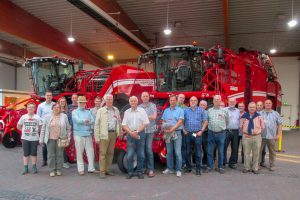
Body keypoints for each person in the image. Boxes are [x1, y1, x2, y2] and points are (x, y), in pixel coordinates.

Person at [94, 94, 121, 179]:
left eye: (111, 99)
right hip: (104, 134)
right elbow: (96, 124)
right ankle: (102, 171)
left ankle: (107, 169)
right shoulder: (101, 111)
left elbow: (119, 121)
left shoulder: (116, 110)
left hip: (113, 134)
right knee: (103, 153)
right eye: (108, 99)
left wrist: (119, 132)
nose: (110, 101)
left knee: (110, 153)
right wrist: (97, 137)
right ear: (105, 101)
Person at [122, 96, 149, 179]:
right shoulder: (127, 112)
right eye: (131, 101)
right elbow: (124, 124)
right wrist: (131, 133)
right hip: (130, 134)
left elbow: (146, 123)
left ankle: (139, 172)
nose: (133, 102)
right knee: (130, 155)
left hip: (140, 133)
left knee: (141, 155)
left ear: (137, 102)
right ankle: (130, 172)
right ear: (129, 103)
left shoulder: (142, 111)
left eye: (134, 101)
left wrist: (136, 132)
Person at [40, 103, 71, 177]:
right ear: (52, 109)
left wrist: (68, 138)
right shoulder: (47, 117)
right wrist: (41, 139)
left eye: (58, 107)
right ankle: (52, 170)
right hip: (50, 139)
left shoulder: (64, 116)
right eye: (55, 107)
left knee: (59, 155)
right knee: (51, 155)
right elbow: (43, 129)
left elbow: (68, 128)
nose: (57, 109)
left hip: (60, 139)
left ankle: (58, 169)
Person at [72, 96, 97, 175]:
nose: (83, 104)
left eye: (84, 103)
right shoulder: (74, 112)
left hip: (88, 133)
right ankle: (80, 169)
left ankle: (91, 168)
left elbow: (92, 121)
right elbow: (77, 121)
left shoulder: (88, 112)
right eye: (81, 103)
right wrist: (86, 121)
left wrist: (85, 121)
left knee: (90, 151)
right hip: (78, 134)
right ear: (78, 103)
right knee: (79, 152)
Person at [183, 96, 208, 176]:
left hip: (197, 134)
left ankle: (198, 169)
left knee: (198, 152)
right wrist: (184, 130)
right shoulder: (185, 110)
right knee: (188, 152)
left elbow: (205, 122)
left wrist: (201, 131)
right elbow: (181, 121)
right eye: (191, 100)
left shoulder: (201, 110)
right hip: (188, 134)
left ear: (197, 102)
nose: (193, 102)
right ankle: (189, 168)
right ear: (189, 102)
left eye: (195, 100)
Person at [162, 94, 184, 177]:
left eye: (174, 100)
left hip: (177, 133)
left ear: (176, 100)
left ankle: (179, 170)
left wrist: (172, 129)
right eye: (171, 100)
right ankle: (170, 169)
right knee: (169, 152)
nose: (172, 101)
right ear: (169, 101)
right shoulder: (166, 111)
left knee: (178, 152)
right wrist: (165, 127)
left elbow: (180, 122)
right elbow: (163, 120)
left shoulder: (180, 110)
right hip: (168, 133)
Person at [17, 102, 42, 175]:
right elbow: (18, 126)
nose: (30, 108)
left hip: (34, 138)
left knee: (34, 153)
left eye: (32, 107)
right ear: (27, 108)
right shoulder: (23, 117)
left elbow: (40, 127)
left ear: (34, 109)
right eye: (29, 107)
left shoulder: (37, 117)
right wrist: (24, 131)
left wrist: (36, 132)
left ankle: (34, 167)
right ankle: (25, 168)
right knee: (26, 153)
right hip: (25, 138)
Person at [205, 95, 229, 174]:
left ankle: (220, 167)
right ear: (213, 101)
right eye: (215, 99)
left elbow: (227, 122)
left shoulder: (225, 111)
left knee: (221, 151)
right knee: (210, 151)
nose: (216, 101)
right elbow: (206, 121)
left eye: (218, 99)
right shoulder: (209, 111)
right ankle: (210, 166)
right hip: (211, 133)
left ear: (221, 101)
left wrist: (221, 127)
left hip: (221, 134)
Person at [240, 102, 264, 174]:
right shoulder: (244, 116)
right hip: (246, 136)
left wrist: (257, 133)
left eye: (253, 107)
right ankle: (246, 167)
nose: (252, 108)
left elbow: (262, 127)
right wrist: (245, 133)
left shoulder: (259, 116)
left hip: (256, 137)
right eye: (250, 107)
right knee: (246, 153)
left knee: (256, 153)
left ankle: (255, 168)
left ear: (255, 108)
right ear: (248, 108)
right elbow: (241, 126)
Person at [260, 99, 282, 171]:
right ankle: (256, 165)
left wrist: (278, 134)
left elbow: (280, 125)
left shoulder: (276, 114)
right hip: (261, 136)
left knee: (272, 152)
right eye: (266, 103)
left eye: (269, 103)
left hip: (272, 136)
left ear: (271, 104)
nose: (268, 104)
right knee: (258, 151)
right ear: (264, 104)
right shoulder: (260, 113)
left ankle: (272, 165)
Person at [138, 92, 157, 177]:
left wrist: (144, 116)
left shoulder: (153, 105)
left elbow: (154, 117)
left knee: (148, 149)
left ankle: (150, 169)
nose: (145, 97)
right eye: (144, 96)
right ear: (141, 98)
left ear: (149, 97)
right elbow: (138, 119)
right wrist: (149, 116)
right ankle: (142, 168)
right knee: (141, 150)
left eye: (147, 96)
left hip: (150, 131)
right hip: (142, 130)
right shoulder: (139, 107)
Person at [37, 91, 55, 166]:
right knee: (44, 144)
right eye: (47, 95)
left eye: (50, 95)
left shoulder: (54, 104)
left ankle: (53, 160)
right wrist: (41, 126)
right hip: (44, 127)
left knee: (53, 144)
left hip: (53, 127)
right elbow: (38, 116)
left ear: (52, 96)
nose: (49, 97)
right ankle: (45, 160)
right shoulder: (41, 106)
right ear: (45, 96)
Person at [223, 98, 240, 169]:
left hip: (236, 131)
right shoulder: (224, 110)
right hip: (226, 131)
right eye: (230, 101)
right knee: (224, 147)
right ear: (228, 102)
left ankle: (232, 163)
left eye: (233, 101)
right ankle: (223, 162)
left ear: (236, 102)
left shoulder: (238, 111)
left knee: (235, 147)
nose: (232, 103)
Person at [57, 96, 70, 169]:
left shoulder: (67, 111)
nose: (62, 103)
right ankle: (58, 162)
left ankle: (65, 162)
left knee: (63, 147)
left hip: (64, 131)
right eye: (61, 101)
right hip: (56, 131)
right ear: (58, 102)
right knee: (56, 147)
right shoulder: (56, 109)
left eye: (64, 102)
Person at [177, 93, 188, 170]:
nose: (181, 99)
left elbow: (185, 120)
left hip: (183, 130)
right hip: (176, 130)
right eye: (180, 97)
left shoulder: (185, 108)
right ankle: (176, 163)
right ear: (177, 98)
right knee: (176, 147)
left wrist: (184, 129)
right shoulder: (174, 106)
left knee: (183, 146)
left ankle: (183, 163)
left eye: (183, 98)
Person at [256, 101, 267, 167]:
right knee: (256, 150)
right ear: (256, 106)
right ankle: (256, 163)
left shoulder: (265, 113)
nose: (259, 106)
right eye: (258, 105)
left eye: (260, 105)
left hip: (263, 134)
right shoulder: (254, 113)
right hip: (256, 134)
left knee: (263, 150)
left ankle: (262, 162)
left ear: (263, 106)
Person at [199, 100, 209, 168]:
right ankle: (195, 161)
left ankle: (204, 162)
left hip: (205, 133)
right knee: (195, 147)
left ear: (206, 106)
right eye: (201, 105)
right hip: (195, 133)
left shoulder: (208, 113)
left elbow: (208, 122)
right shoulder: (195, 112)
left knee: (205, 148)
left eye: (204, 105)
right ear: (199, 105)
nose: (202, 106)